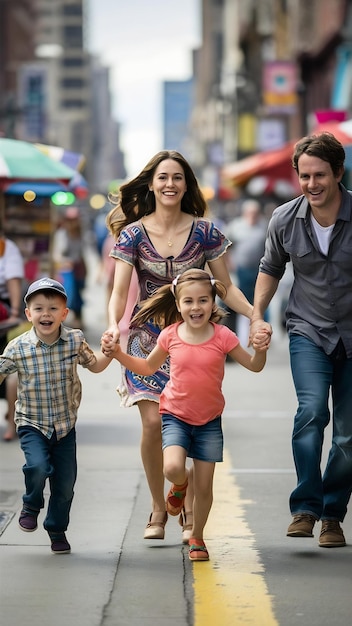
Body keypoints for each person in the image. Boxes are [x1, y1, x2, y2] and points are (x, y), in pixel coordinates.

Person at [104, 150, 271, 541]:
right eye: (163, 177)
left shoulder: (205, 232)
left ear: (186, 185)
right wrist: (115, 326)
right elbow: (118, 291)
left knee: (187, 427)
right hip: (149, 343)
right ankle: (159, 508)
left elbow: (225, 289)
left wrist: (254, 315)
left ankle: (184, 495)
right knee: (150, 424)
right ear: (151, 183)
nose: (170, 184)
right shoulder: (132, 234)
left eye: (177, 178)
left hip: (194, 347)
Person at [102, 269, 267, 560]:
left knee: (205, 488)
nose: (196, 307)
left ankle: (198, 537)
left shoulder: (223, 337)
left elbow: (254, 366)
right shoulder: (170, 336)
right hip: (175, 416)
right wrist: (117, 354)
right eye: (188, 301)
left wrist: (262, 349)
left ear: (213, 303)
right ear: (178, 305)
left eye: (203, 300)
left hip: (209, 422)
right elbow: (146, 368)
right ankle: (180, 484)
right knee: (172, 469)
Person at [250, 131, 352, 548]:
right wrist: (257, 315)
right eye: (305, 176)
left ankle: (332, 514)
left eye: (320, 175)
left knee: (348, 435)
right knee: (310, 413)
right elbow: (270, 269)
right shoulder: (284, 219)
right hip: (308, 330)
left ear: (338, 173)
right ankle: (305, 508)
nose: (312, 184)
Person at [0, 277, 114, 554]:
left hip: (65, 427)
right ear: (29, 315)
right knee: (38, 467)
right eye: (39, 308)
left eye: (53, 308)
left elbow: (95, 366)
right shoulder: (18, 347)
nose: (46, 314)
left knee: (65, 487)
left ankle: (57, 529)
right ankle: (31, 503)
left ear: (64, 313)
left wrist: (110, 353)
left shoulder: (74, 339)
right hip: (31, 424)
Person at [225, 199, 268, 345]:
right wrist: (230, 264)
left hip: (259, 269)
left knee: (259, 300)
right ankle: (236, 336)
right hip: (240, 269)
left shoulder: (264, 226)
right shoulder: (236, 226)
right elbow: (226, 248)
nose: (252, 215)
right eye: (250, 212)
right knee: (239, 301)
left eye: (255, 212)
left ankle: (261, 333)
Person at [0, 233, 24, 441]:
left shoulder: (6, 247)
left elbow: (13, 279)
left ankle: (10, 421)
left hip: (5, 319)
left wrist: (15, 311)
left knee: (11, 374)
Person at [53, 207, 87, 328]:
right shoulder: (62, 234)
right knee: (67, 296)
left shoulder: (80, 234)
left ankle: (78, 320)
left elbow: (81, 253)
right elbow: (57, 255)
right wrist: (66, 262)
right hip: (65, 270)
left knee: (78, 295)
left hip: (77, 269)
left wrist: (84, 268)